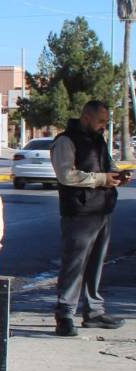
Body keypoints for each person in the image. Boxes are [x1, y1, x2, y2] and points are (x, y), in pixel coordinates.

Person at [51, 100, 128, 336]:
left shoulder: (97, 140)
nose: (104, 125)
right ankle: (65, 314)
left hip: (102, 209)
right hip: (79, 212)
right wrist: (102, 179)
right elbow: (66, 175)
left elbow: (107, 166)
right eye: (101, 121)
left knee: (96, 264)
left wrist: (117, 175)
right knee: (74, 265)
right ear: (86, 118)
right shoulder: (65, 141)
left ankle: (94, 312)